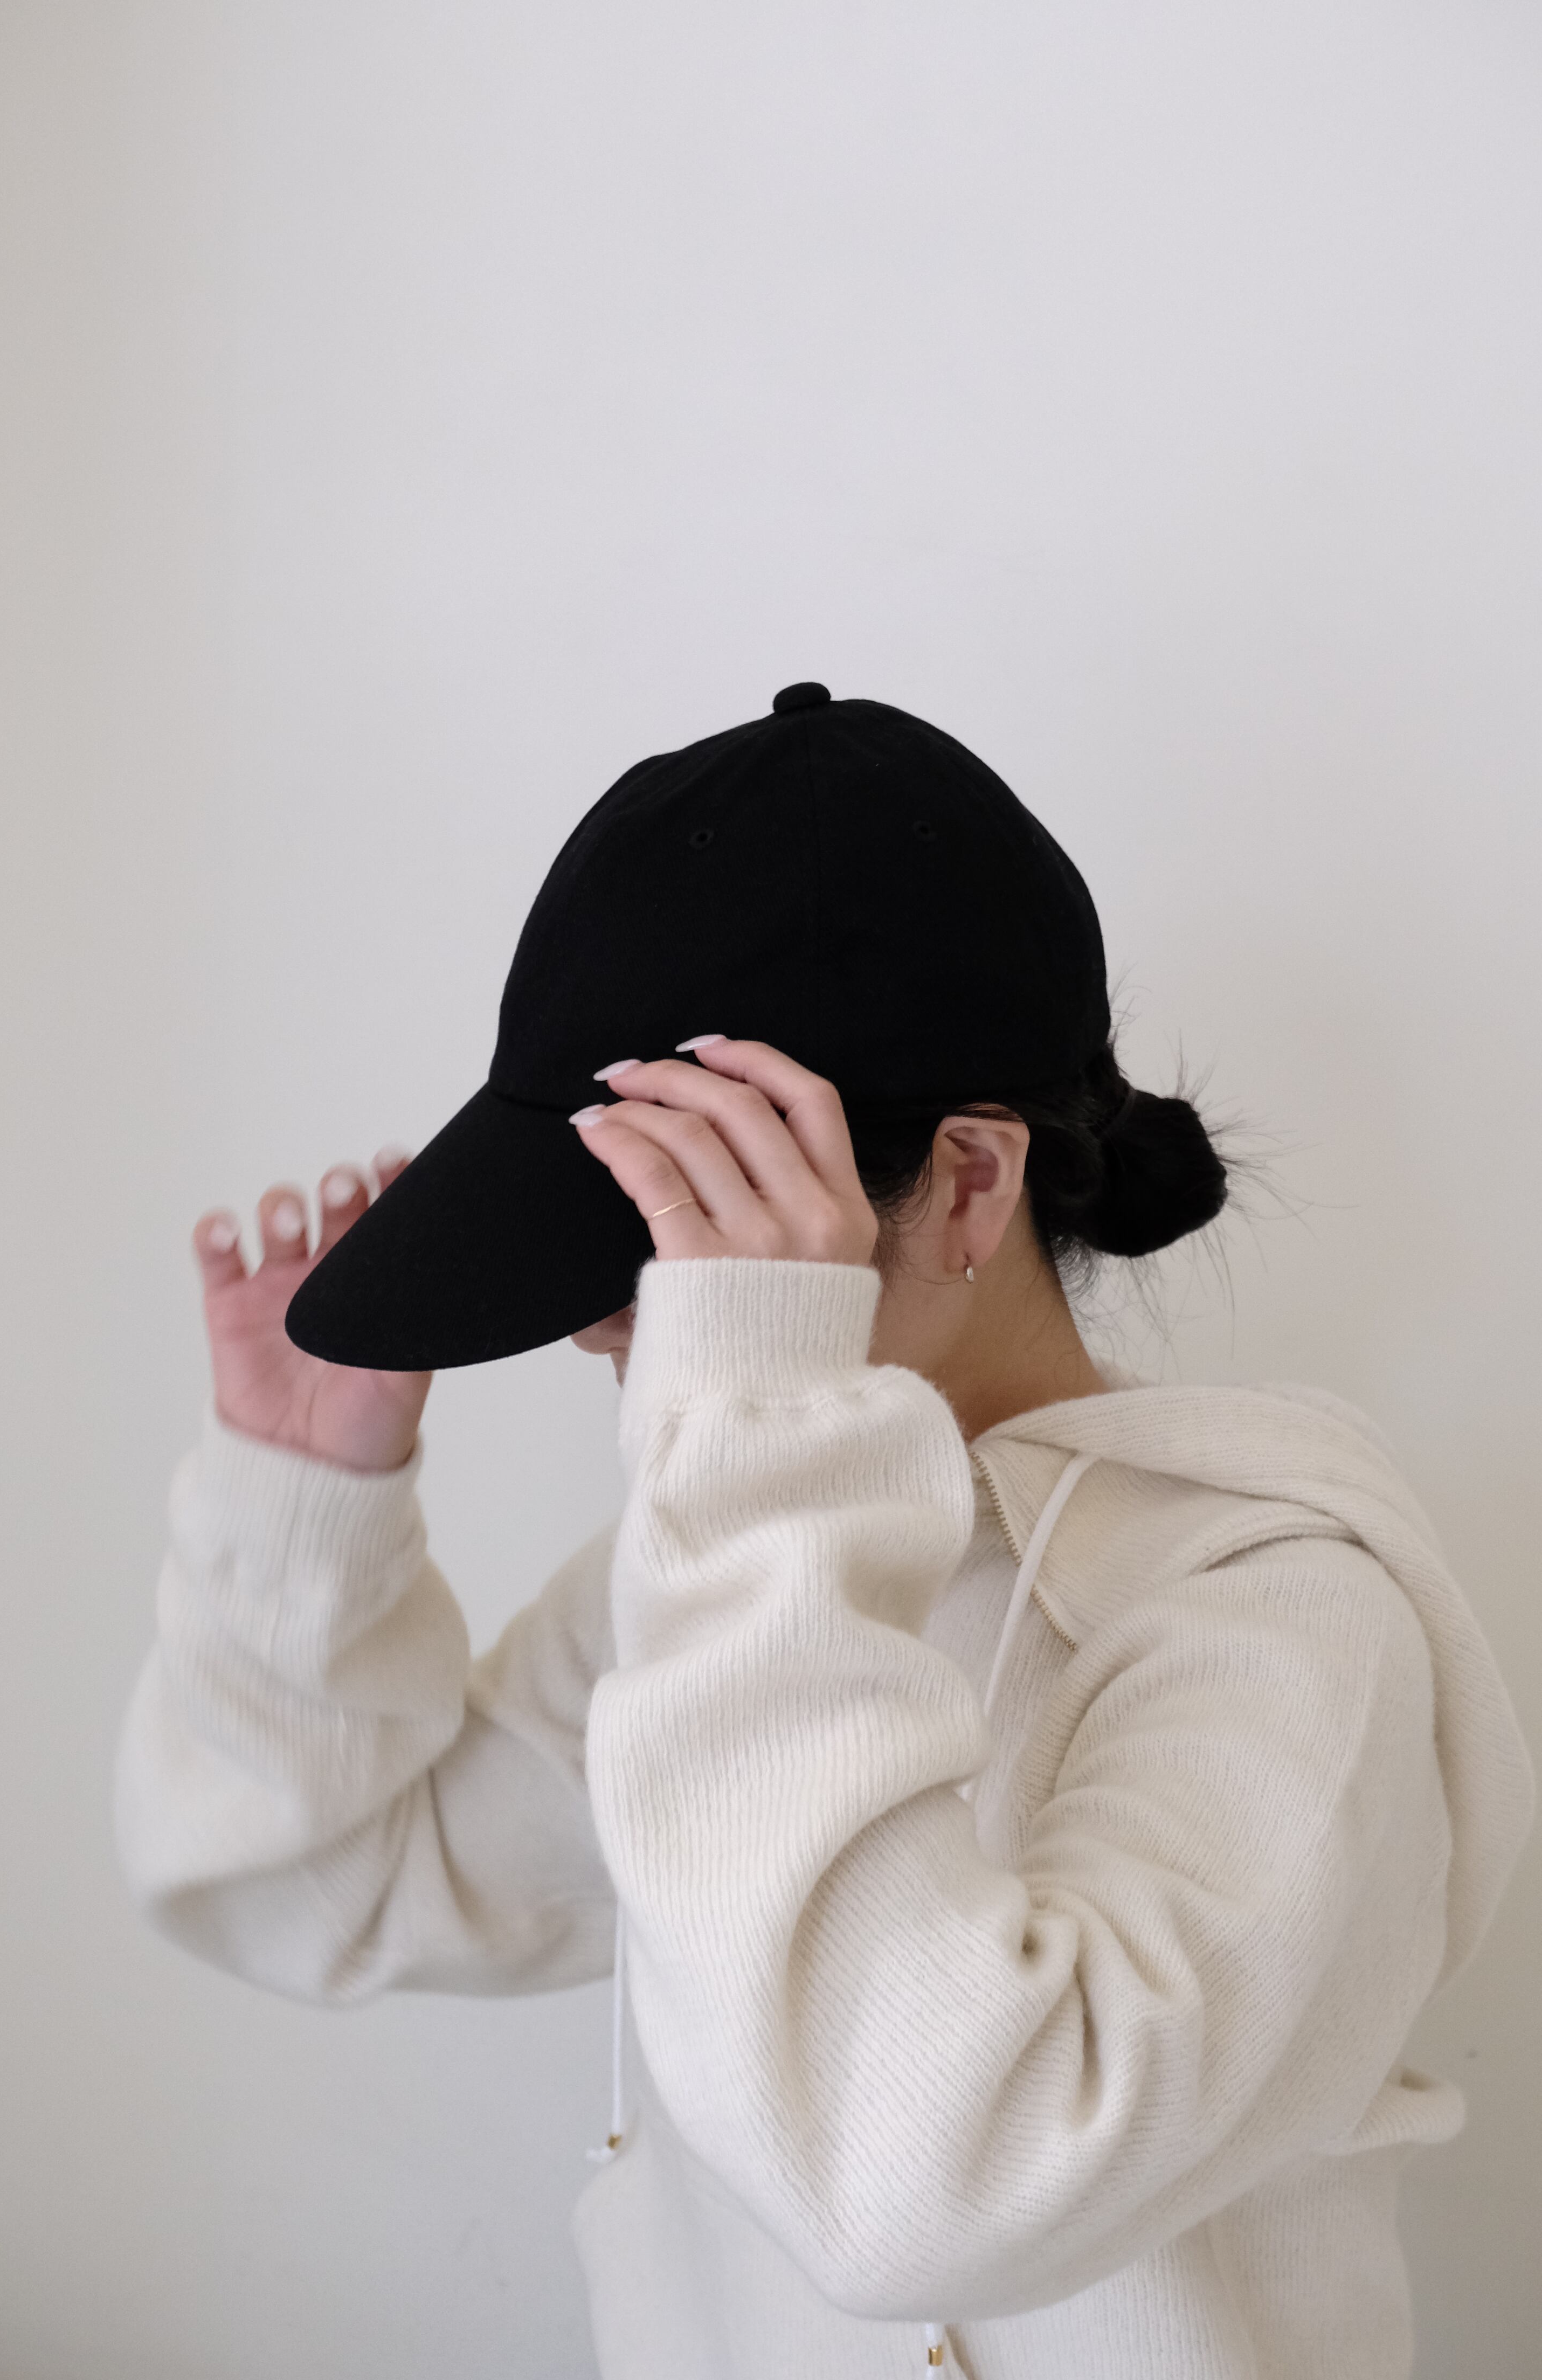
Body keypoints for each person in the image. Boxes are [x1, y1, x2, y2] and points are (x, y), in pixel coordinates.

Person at [115, 686, 1534, 2380]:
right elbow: (320, 1891)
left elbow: (927, 2180)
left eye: (680, 1232)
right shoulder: (735, 1565)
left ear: (971, 1182)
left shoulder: (1283, 1628)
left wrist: (761, 1446)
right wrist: (310, 1509)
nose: (595, 1327)